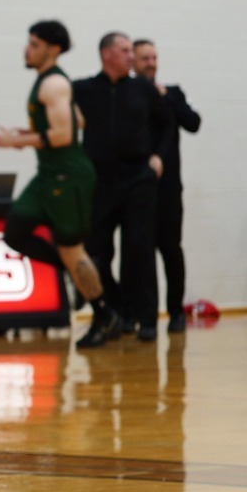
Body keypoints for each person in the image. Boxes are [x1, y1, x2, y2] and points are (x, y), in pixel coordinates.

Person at [0, 22, 121, 351]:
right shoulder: (50, 82)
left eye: (34, 44)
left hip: (67, 177)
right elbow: (78, 121)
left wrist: (15, 142)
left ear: (53, 49)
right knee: (14, 232)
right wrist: (28, 135)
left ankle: (104, 315)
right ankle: (74, 274)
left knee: (71, 249)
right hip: (48, 175)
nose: (27, 49)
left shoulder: (53, 84)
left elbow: (64, 135)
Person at [72, 32, 170, 344]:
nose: (131, 56)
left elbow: (166, 124)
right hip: (99, 181)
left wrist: (158, 155)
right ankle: (113, 312)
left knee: (140, 251)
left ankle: (147, 318)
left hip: (137, 180)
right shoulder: (84, 89)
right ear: (107, 54)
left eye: (132, 51)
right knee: (97, 251)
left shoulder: (143, 89)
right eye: (125, 50)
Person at [132, 39, 201, 332]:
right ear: (133, 62)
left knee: (171, 249)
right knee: (140, 253)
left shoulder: (172, 92)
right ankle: (143, 315)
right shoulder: (129, 95)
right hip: (138, 188)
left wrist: (167, 98)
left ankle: (176, 312)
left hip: (169, 188)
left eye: (154, 57)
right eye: (145, 58)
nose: (151, 63)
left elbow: (194, 123)